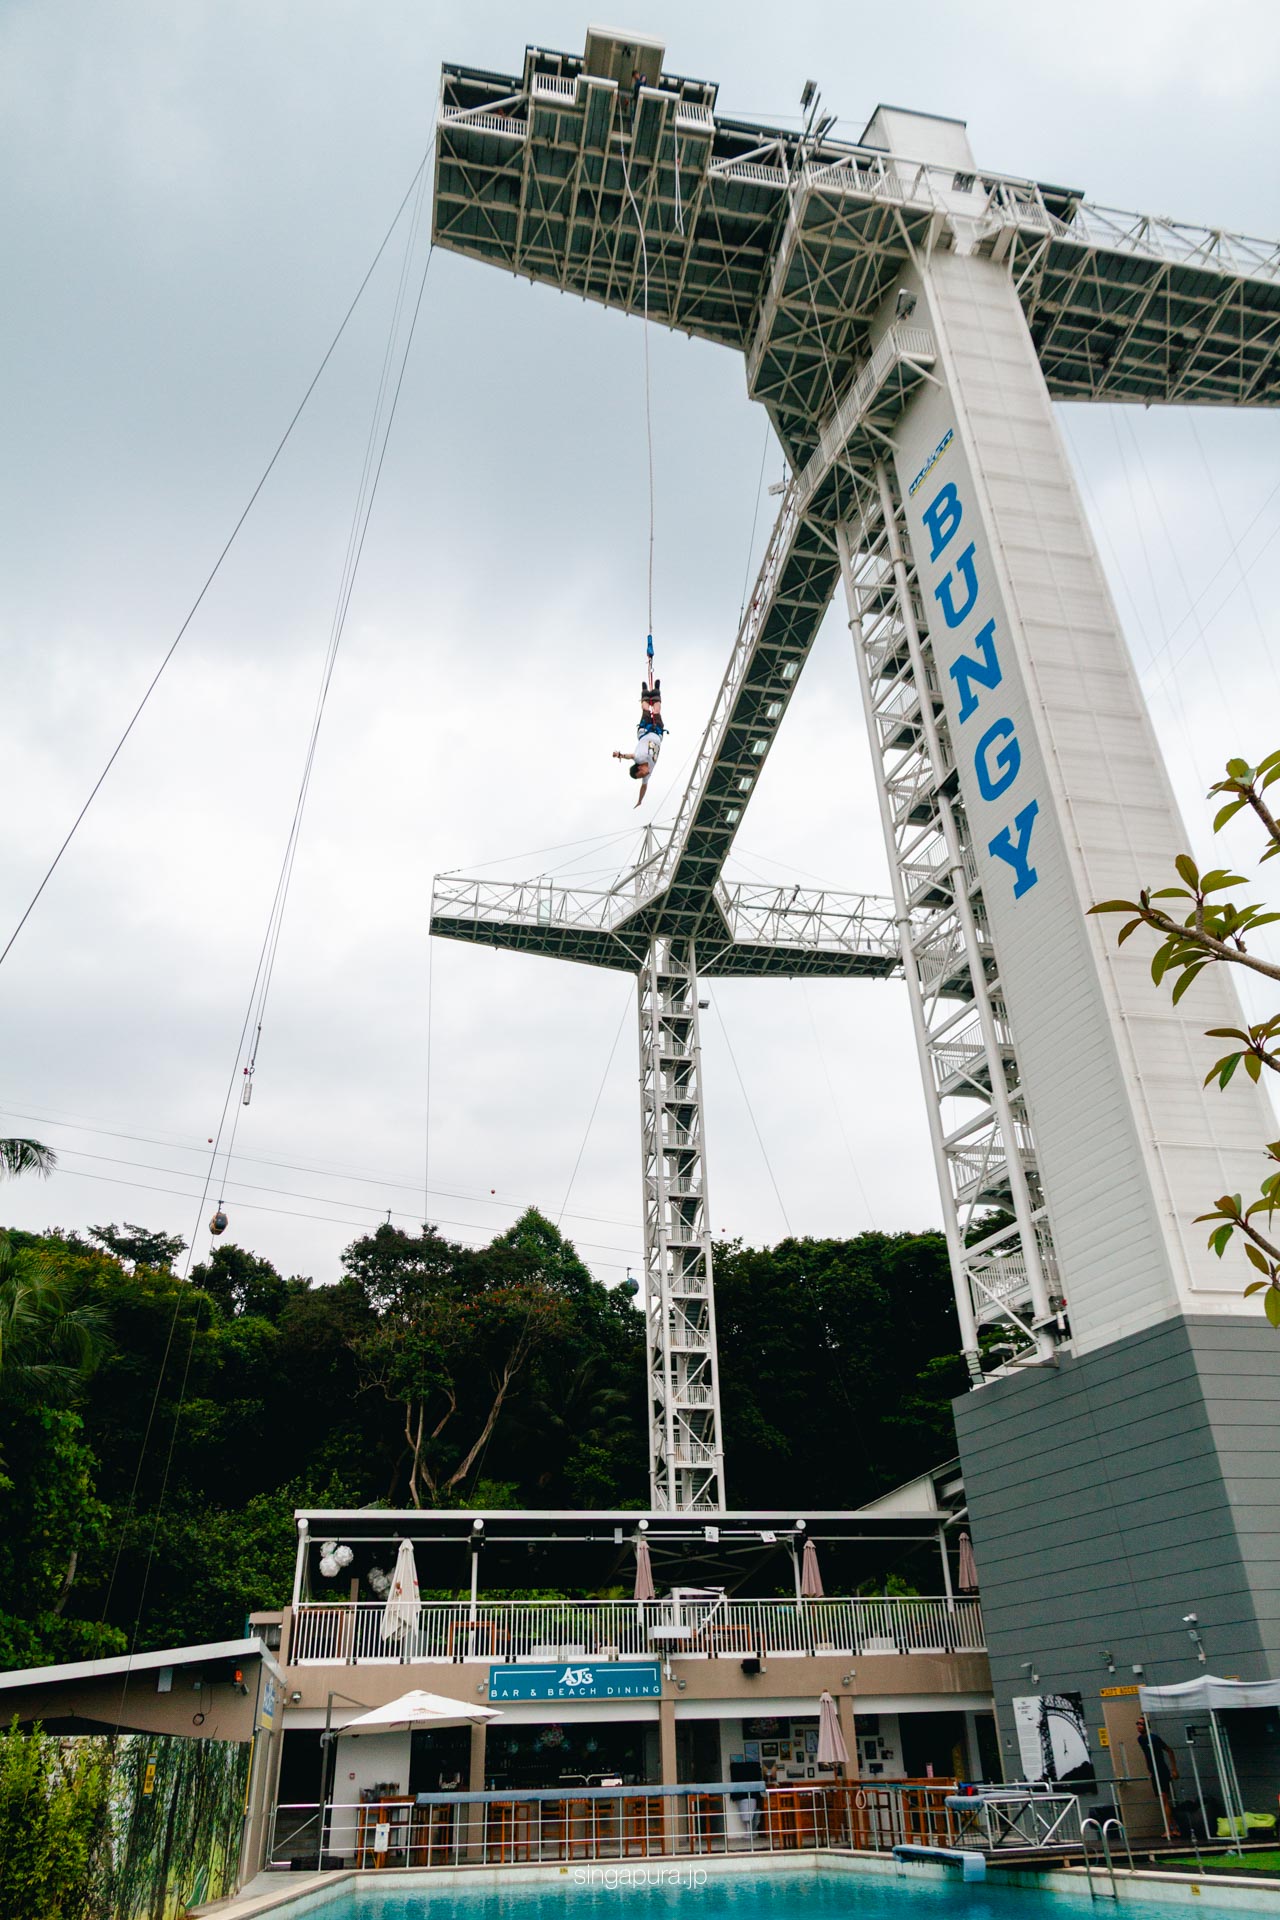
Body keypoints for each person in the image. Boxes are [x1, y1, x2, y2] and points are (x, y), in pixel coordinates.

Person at [613, 652, 664, 808]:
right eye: (642, 776)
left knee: (645, 710)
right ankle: (656, 691)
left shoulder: (639, 758)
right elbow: (644, 787)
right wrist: (640, 800)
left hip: (645, 731)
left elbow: (630, 756)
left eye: (641, 774)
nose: (644, 775)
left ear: (639, 768)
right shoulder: (649, 773)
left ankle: (644, 694)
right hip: (657, 733)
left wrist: (619, 755)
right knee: (657, 711)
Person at [1136, 1715, 1178, 1829]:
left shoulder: (1154, 1739)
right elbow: (1146, 1755)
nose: (1139, 1726)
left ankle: (1169, 1828)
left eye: (1141, 1724)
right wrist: (1149, 1769)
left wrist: (1173, 1769)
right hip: (1154, 1771)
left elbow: (1169, 1750)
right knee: (1162, 1799)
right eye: (1137, 1724)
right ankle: (1174, 1827)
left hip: (1161, 1770)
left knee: (1164, 1798)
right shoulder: (1140, 1740)